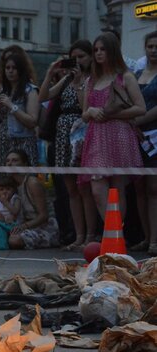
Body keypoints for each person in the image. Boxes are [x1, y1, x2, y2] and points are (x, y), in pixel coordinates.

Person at [39, 40, 98, 251]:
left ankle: (90, 234)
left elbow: (86, 107)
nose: (78, 61)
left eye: (82, 56)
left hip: (82, 132)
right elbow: (43, 96)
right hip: (63, 134)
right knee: (71, 188)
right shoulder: (66, 79)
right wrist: (50, 72)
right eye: (74, 57)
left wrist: (81, 80)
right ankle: (78, 234)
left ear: (90, 57)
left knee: (84, 187)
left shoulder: (92, 79)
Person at [80, 32, 146, 220]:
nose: (99, 53)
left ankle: (117, 238)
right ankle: (112, 233)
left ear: (113, 51)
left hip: (119, 133)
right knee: (97, 189)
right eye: (96, 50)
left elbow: (140, 108)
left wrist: (112, 114)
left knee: (117, 190)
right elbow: (84, 115)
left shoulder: (126, 77)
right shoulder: (91, 80)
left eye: (103, 49)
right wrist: (92, 111)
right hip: (97, 136)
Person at [0, 51, 39, 168]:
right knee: (5, 181)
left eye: (14, 68)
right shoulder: (1, 89)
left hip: (23, 141)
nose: (10, 71)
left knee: (25, 179)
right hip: (3, 141)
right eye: (7, 68)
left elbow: (32, 121)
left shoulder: (30, 90)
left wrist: (12, 106)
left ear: (21, 70)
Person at [134, 31, 157, 255]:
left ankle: (155, 240)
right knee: (139, 188)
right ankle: (146, 236)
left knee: (153, 188)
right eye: (150, 46)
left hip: (155, 136)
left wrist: (137, 121)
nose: (154, 50)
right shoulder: (137, 73)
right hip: (136, 137)